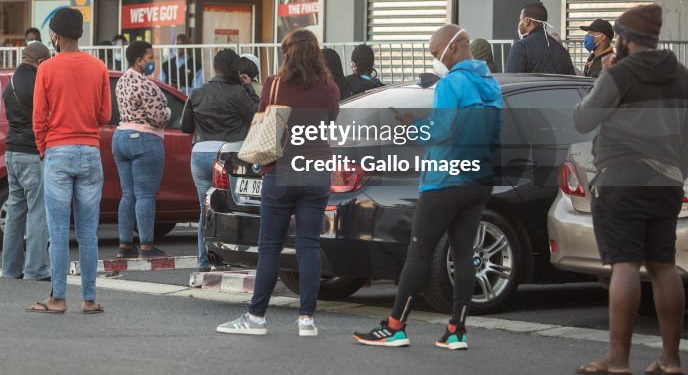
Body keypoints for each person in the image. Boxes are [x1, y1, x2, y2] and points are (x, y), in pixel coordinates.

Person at [354, 24, 502, 350]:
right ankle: (456, 331)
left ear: (452, 48)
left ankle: (395, 327)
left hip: (444, 181)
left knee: (419, 252)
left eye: (436, 54)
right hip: (479, 179)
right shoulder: (491, 84)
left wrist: (414, 129)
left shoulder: (451, 83)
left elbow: (443, 131)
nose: (437, 60)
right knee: (464, 254)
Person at [571, 5, 688, 375]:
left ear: (624, 38)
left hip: (622, 178)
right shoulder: (682, 75)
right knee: (663, 266)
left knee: (624, 264)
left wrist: (603, 80)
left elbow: (583, 119)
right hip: (667, 181)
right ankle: (670, 359)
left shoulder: (619, 73)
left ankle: (618, 360)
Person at [217, 29, 340, 338]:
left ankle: (256, 318)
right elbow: (330, 119)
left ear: (287, 53)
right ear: (316, 54)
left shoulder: (273, 85)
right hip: (316, 170)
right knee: (309, 245)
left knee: (270, 246)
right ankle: (306, 320)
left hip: (281, 170)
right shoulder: (329, 88)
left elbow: (261, 121)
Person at [29, 7, 111, 314]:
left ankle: (58, 298)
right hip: (90, 151)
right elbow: (104, 115)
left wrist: (43, 149)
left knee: (59, 231)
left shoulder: (47, 69)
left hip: (58, 151)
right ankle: (89, 299)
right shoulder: (98, 67)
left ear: (55, 34)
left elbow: (39, 118)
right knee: (89, 232)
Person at [180, 49, 258, 269]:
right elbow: (257, 116)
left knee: (205, 211)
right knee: (230, 210)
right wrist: (248, 87)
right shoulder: (238, 92)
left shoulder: (197, 92)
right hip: (227, 154)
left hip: (199, 154)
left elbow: (185, 126)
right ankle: (229, 258)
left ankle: (203, 261)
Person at [113, 40, 171, 260]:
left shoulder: (121, 82)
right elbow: (160, 116)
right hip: (144, 139)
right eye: (150, 58)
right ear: (139, 61)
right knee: (145, 195)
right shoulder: (146, 84)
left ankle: (125, 245)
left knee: (127, 194)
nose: (152, 62)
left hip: (120, 137)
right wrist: (166, 111)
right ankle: (146, 246)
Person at [1, 41, 52, 282]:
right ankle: (36, 269)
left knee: (15, 212)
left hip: (12, 152)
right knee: (38, 211)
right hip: (32, 152)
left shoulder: (10, 83)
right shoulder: (36, 82)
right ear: (41, 61)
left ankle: (10, 269)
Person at [505, 2, 575, 75]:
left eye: (520, 19)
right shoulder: (562, 50)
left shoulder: (521, 47)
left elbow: (511, 79)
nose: (519, 23)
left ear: (527, 21)